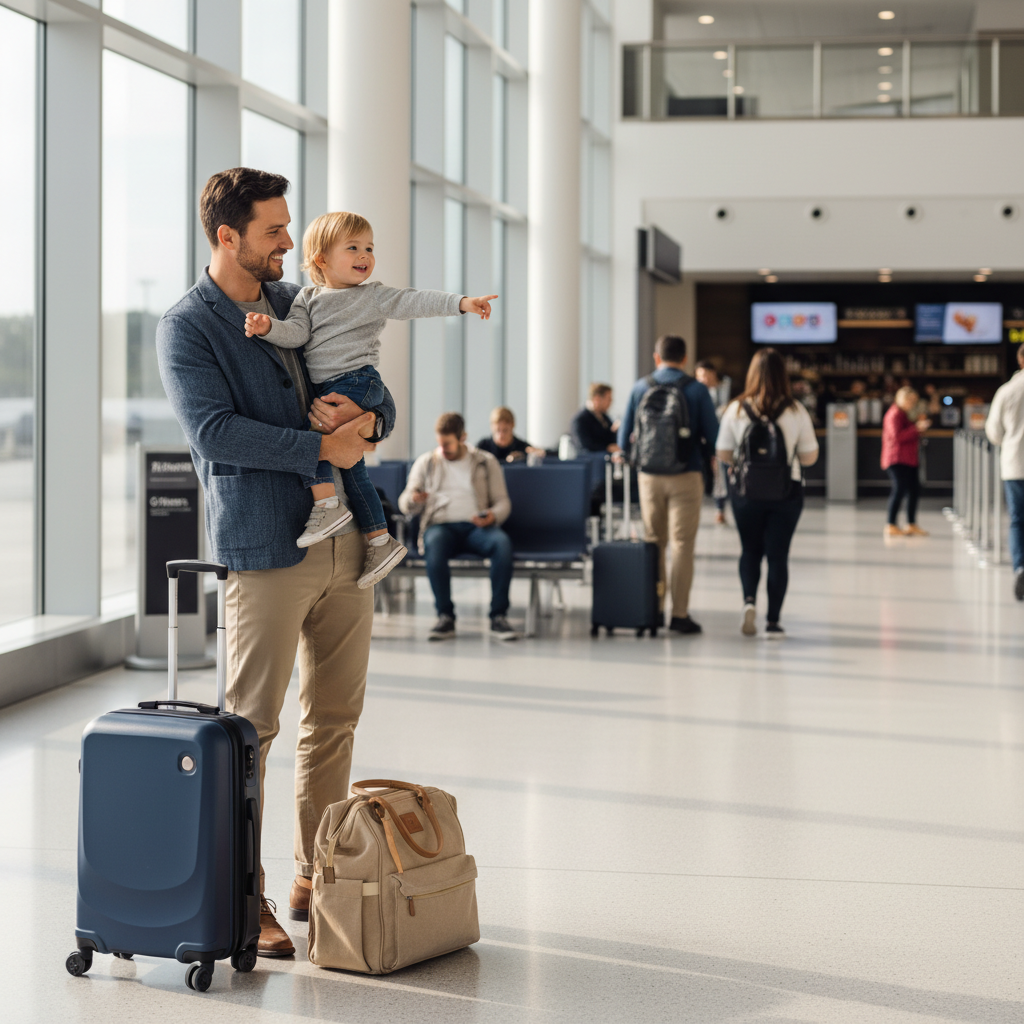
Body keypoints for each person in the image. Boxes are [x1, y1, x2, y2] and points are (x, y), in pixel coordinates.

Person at [156, 167, 380, 957]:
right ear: (229, 236)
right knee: (251, 729)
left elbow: (368, 388)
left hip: (347, 538)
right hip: (265, 550)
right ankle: (241, 895)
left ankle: (316, 879)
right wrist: (323, 443)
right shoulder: (188, 327)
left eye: (289, 227)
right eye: (275, 231)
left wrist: (369, 417)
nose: (292, 241)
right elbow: (215, 433)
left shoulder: (298, 305)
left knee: (336, 722)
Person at [243, 210, 497, 588]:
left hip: (358, 382)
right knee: (353, 467)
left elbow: (415, 302)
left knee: (312, 437)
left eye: (369, 248)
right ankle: (380, 540)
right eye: (353, 248)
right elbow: (295, 334)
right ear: (321, 260)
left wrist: (462, 302)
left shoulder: (373, 296)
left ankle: (326, 505)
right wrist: (268, 328)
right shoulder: (307, 298)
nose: (365, 255)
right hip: (335, 388)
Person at [618, 334, 720, 634]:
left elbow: (623, 439)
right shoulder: (697, 389)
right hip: (686, 475)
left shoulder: (641, 387)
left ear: (656, 357)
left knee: (653, 544)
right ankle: (679, 614)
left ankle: (652, 610)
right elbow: (714, 437)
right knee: (682, 546)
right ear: (685, 359)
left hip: (649, 477)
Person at [716, 347, 819, 639]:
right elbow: (810, 457)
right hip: (787, 492)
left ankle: (749, 601)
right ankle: (773, 622)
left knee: (750, 550)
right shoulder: (796, 410)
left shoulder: (736, 409)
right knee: (778, 555)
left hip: (746, 492)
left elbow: (722, 452)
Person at [399, 412, 517, 640]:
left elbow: (503, 502)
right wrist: (414, 499)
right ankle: (445, 616)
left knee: (502, 544)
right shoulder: (427, 462)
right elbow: (404, 502)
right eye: (440, 443)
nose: (443, 449)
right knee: (433, 544)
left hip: (478, 527)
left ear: (463, 437)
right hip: (441, 526)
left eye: (448, 444)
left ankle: (498, 616)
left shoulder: (485, 461)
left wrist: (492, 515)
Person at [985, 343, 1024, 600]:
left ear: (1020, 360)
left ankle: (1021, 567)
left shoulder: (1007, 391)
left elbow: (994, 432)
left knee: (1017, 520)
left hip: (1016, 464)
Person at [882, 387, 931, 537]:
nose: (912, 404)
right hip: (897, 459)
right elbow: (897, 437)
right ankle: (890, 524)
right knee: (899, 490)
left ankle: (911, 523)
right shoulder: (894, 414)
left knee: (914, 490)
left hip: (908, 458)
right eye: (911, 401)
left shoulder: (904, 414)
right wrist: (916, 429)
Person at [694, 360, 728, 526]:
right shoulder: (695, 393)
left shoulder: (723, 391)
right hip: (699, 441)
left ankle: (720, 509)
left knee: (719, 475)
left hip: (719, 440)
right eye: (700, 376)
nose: (703, 379)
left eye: (706, 375)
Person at [476, 406, 542, 463]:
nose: (501, 435)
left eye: (505, 430)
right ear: (491, 427)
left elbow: (542, 453)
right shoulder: (482, 448)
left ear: (512, 426)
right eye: (497, 430)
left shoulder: (522, 448)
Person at [571, 383, 620, 454]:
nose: (611, 402)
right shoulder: (580, 420)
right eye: (608, 399)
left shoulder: (604, 418)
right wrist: (607, 448)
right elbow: (585, 446)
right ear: (597, 398)